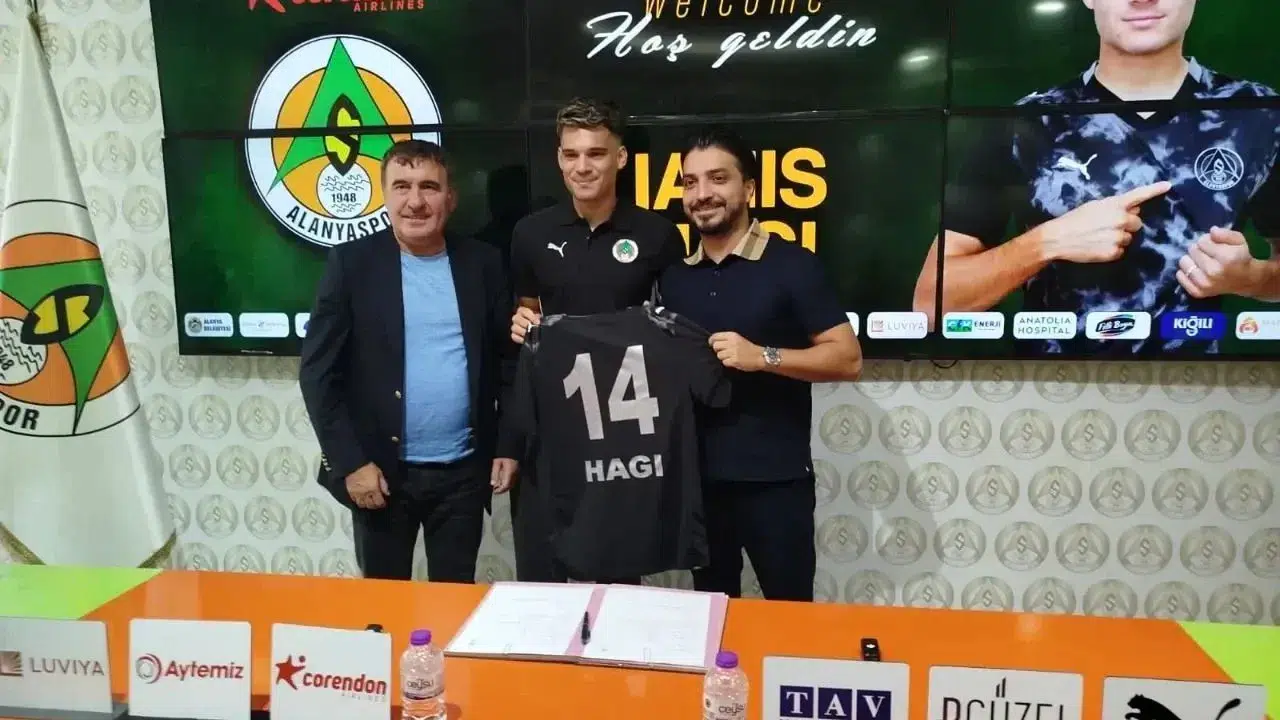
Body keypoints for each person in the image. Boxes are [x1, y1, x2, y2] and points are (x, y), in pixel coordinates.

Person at [912, 0, 1280, 355]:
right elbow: (930, 303)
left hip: (1202, 387)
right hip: (1049, 385)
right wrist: (1047, 242)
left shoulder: (1258, 115)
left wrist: (1252, 279)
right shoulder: (1027, 123)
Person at [658, 126, 863, 601]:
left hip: (776, 482)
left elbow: (848, 358)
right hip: (699, 483)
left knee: (790, 614)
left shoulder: (792, 265)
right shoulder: (673, 278)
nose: (702, 194)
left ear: (748, 188)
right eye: (690, 182)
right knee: (713, 613)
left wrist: (762, 356)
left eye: (718, 179)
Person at [299, 139, 518, 582]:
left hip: (463, 475)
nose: (415, 201)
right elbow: (318, 374)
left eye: (429, 187)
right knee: (383, 604)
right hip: (378, 472)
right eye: (402, 186)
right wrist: (351, 463)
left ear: (450, 197)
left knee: (454, 602)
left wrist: (508, 445)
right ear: (384, 194)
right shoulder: (351, 264)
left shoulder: (484, 263)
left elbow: (508, 365)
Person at [504, 97, 687, 584]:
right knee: (543, 580)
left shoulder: (658, 234)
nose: (582, 166)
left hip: (624, 435)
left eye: (596, 153)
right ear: (559, 158)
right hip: (552, 426)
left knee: (617, 583)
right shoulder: (530, 234)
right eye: (571, 154)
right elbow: (527, 314)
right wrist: (522, 325)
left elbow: (674, 333)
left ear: (620, 158)